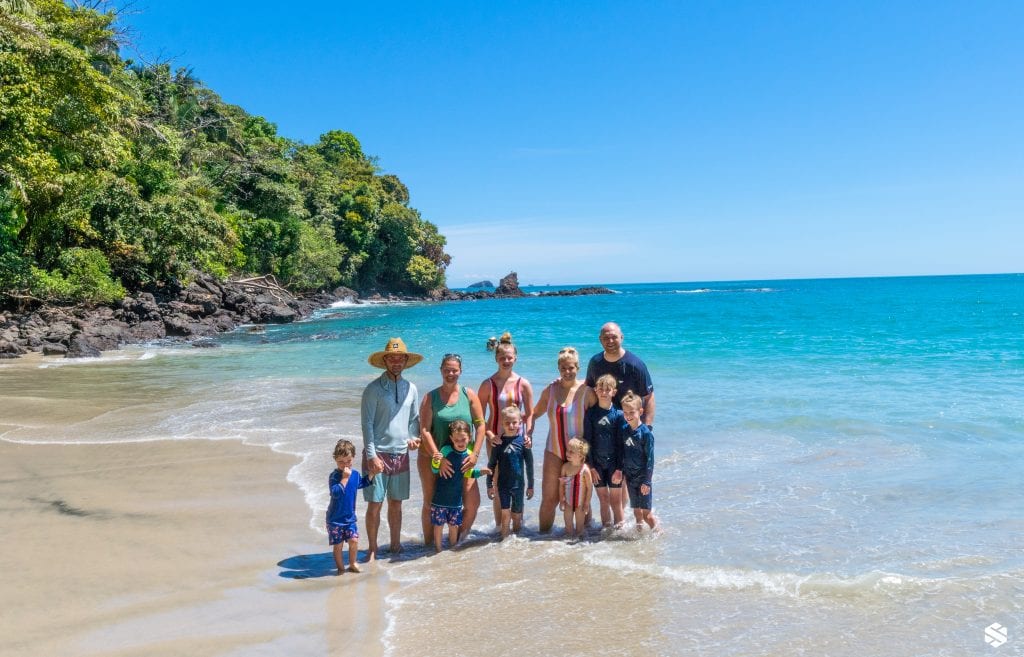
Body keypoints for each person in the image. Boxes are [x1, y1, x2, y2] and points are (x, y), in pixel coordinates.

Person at [360, 337, 422, 561]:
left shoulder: (411, 388)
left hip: (401, 454)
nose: (396, 362)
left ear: (406, 361)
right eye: (392, 358)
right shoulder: (373, 389)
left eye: (400, 358)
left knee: (396, 504)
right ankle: (373, 549)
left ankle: (396, 546)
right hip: (377, 455)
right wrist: (371, 456)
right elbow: (366, 424)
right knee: (374, 505)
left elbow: (414, 420)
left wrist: (414, 438)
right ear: (385, 360)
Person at [418, 354, 487, 545]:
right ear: (441, 370)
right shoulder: (430, 397)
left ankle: (456, 544)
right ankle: (429, 547)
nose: (450, 373)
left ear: (460, 371)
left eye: (454, 370)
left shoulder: (469, 395)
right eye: (447, 369)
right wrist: (438, 459)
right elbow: (424, 431)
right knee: (430, 503)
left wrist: (475, 455)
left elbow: (481, 426)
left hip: (464, 459)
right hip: (432, 458)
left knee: (472, 503)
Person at [478, 332, 534, 525]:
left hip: (518, 440)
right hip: (496, 440)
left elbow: (530, 414)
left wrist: (528, 435)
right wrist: (489, 434)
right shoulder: (487, 384)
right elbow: (478, 417)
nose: (506, 361)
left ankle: (516, 528)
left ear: (515, 358)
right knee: (497, 481)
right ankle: (500, 528)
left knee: (517, 479)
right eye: (502, 357)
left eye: (509, 357)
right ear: (496, 358)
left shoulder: (523, 384)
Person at [533, 346, 588, 533]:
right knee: (550, 500)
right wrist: (526, 433)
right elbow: (533, 413)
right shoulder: (550, 389)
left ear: (578, 368)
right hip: (554, 450)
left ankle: (584, 539)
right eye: (563, 368)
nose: (567, 371)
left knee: (580, 499)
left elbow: (602, 416)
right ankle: (542, 538)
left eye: (571, 368)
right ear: (558, 368)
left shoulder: (586, 391)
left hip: (579, 453)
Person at [430, 420, 491, 552]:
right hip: (440, 499)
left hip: (456, 501)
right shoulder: (445, 450)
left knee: (453, 526)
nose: (460, 442)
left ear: (469, 438)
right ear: (451, 438)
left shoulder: (468, 454)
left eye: (463, 439)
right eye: (456, 440)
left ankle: (453, 549)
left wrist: (481, 472)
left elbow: (468, 473)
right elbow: (435, 470)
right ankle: (438, 550)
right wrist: (436, 461)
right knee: (438, 525)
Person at [584, 322, 655, 426]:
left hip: (629, 424)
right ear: (600, 340)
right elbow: (589, 390)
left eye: (614, 337)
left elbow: (649, 397)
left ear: (622, 337)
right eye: (606, 338)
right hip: (603, 423)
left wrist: (646, 428)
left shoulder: (636, 365)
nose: (610, 341)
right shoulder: (595, 362)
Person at [486, 406, 534, 539]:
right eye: (507, 423)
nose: (511, 425)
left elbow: (529, 465)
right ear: (502, 423)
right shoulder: (498, 443)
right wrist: (489, 485)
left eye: (514, 422)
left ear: (520, 423)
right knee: (505, 515)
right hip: (503, 485)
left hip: (518, 485)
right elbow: (491, 465)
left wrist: (531, 486)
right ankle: (504, 542)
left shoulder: (524, 442)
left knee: (517, 517)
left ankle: (517, 543)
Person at [583, 374, 625, 528]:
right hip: (597, 465)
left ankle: (620, 532)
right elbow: (587, 441)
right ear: (595, 390)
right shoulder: (591, 414)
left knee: (616, 501)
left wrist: (620, 469)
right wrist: (591, 467)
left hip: (615, 465)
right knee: (604, 500)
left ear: (614, 392)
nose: (604, 392)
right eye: (600, 389)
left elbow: (622, 445)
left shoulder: (619, 415)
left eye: (608, 389)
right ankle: (606, 532)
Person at [327, 439, 374, 574]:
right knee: (338, 545)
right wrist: (344, 478)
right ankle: (341, 569)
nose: (345, 465)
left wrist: (372, 474)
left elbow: (362, 483)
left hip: (350, 518)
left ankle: (353, 563)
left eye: (348, 461)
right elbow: (335, 492)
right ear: (335, 460)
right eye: (341, 462)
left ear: (353, 457)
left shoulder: (355, 475)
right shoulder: (334, 476)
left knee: (353, 540)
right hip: (335, 519)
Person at [620, 392, 659, 531]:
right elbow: (623, 454)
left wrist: (647, 481)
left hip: (643, 478)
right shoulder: (624, 430)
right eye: (625, 412)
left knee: (646, 514)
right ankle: (639, 540)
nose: (628, 415)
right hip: (630, 478)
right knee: (637, 513)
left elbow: (650, 459)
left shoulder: (646, 434)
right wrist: (621, 471)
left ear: (641, 411)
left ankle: (659, 535)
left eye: (632, 412)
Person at [559, 438, 594, 540]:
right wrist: (561, 500)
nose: (567, 453)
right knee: (568, 529)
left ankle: (579, 548)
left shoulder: (585, 469)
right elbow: (561, 485)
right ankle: (567, 547)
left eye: (571, 451)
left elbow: (589, 487)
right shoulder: (565, 467)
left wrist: (587, 503)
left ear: (580, 455)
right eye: (567, 450)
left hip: (580, 504)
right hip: (568, 504)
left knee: (580, 529)